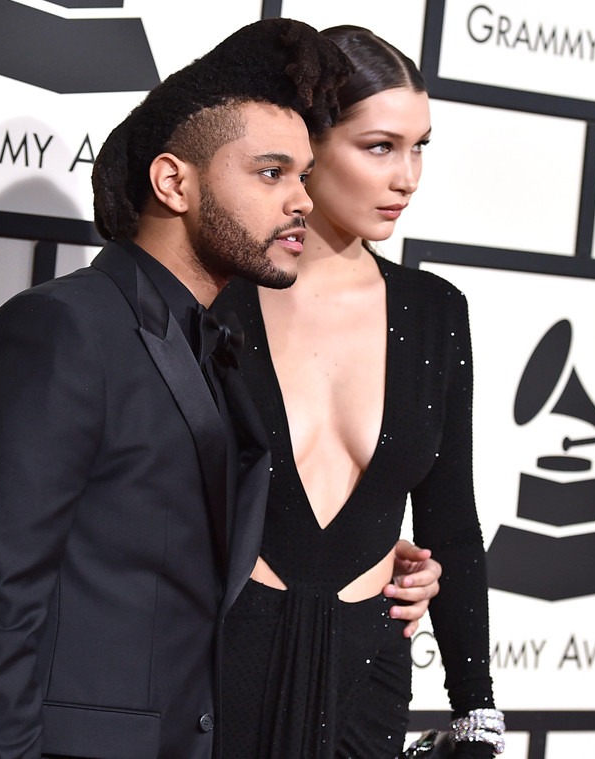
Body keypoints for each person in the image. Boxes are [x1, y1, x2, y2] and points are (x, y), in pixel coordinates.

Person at [0, 18, 440, 759]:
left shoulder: (215, 350)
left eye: (303, 175)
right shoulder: (62, 330)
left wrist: (388, 556)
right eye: (270, 172)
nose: (302, 201)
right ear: (173, 181)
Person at [215, 25, 504, 759]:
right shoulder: (217, 296)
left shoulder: (437, 313)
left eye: (420, 147)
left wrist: (476, 714)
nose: (407, 177)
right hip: (216, 660)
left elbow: (453, 523)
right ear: (309, 144)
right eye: (380, 146)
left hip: (369, 675)